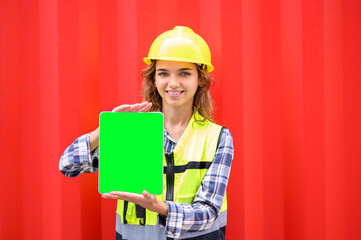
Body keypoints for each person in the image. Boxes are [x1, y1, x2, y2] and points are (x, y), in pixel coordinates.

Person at [59, 26, 234, 240]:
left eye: (184, 73)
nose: (173, 83)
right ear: (154, 79)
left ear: (200, 80)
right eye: (163, 73)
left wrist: (160, 207)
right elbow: (68, 165)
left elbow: (208, 213)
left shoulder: (217, 137)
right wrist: (106, 129)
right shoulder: (132, 131)